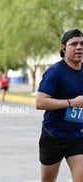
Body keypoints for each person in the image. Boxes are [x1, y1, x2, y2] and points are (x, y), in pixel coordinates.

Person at [36, 28, 83, 182]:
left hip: (78, 137)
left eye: (82, 44)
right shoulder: (55, 72)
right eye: (74, 44)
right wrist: (71, 103)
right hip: (54, 136)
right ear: (64, 48)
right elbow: (40, 102)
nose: (79, 47)